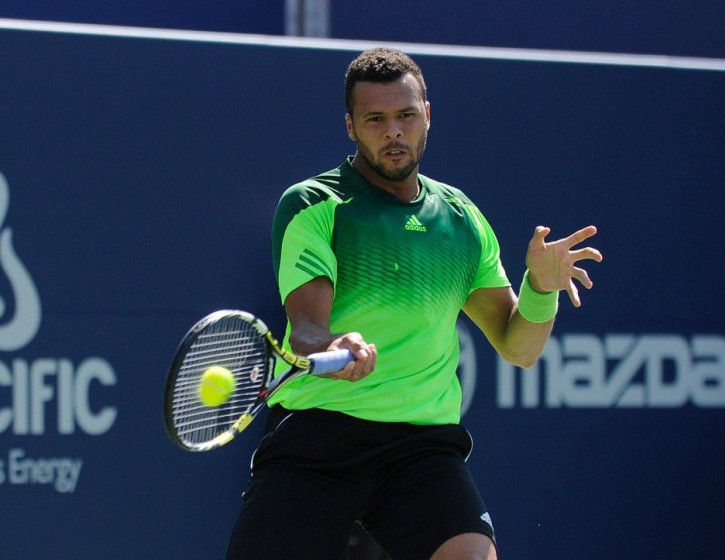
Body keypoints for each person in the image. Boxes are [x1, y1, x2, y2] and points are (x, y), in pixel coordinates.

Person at [226, 47, 602, 560]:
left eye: (405, 115)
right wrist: (334, 345)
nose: (393, 131)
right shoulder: (315, 204)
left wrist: (540, 288)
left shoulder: (461, 219)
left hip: (420, 447)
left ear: (427, 115)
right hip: (319, 439)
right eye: (375, 119)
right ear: (351, 128)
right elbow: (308, 328)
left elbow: (519, 347)